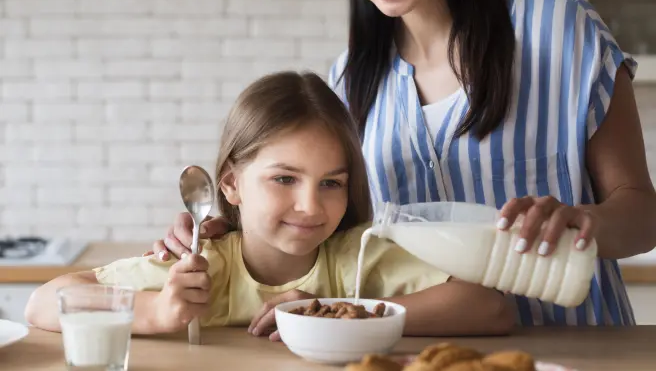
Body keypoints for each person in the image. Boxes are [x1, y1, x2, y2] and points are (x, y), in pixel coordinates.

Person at [152, 0, 656, 327]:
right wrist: (229, 234)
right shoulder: (350, 82)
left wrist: (581, 221)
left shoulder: (556, 28)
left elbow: (641, 214)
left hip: (581, 348)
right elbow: (334, 237)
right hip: (421, 351)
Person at [25, 71, 514, 339]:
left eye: (331, 183)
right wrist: (160, 313)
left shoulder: (355, 258)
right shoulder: (204, 265)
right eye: (284, 178)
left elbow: (492, 310)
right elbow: (41, 301)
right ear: (232, 184)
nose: (310, 206)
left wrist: (339, 311)